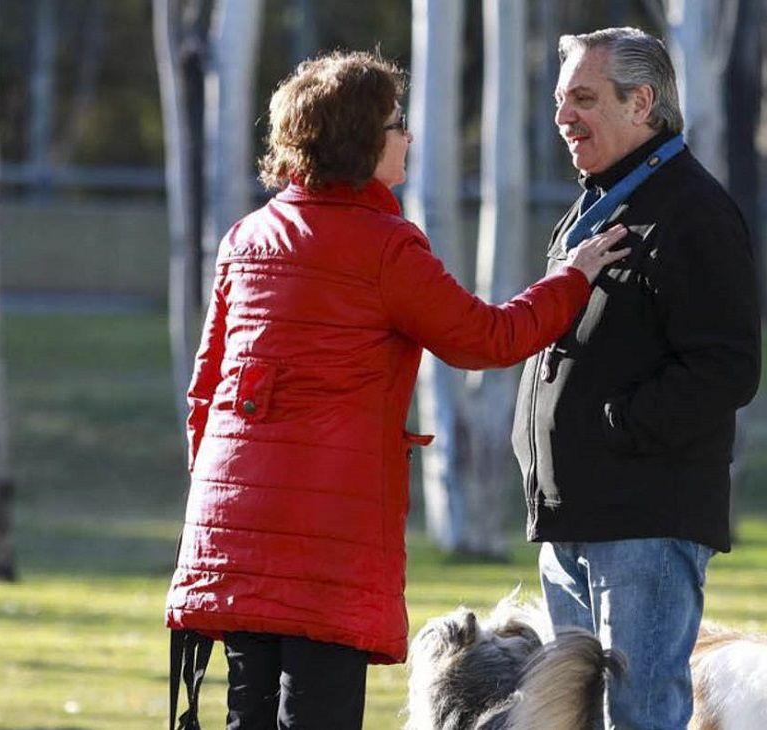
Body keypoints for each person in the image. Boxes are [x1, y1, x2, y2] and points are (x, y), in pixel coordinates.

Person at [164, 50, 629, 730]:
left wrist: (219, 507)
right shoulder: (384, 247)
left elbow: (205, 390)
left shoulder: (247, 237)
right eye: (396, 123)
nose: (407, 136)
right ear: (361, 140)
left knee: (248, 716)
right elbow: (487, 338)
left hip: (232, 527)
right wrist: (574, 277)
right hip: (327, 532)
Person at [510, 27, 761, 729]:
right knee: (576, 721)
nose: (564, 117)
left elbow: (728, 366)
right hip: (572, 519)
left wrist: (616, 428)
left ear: (642, 102)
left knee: (641, 716)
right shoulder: (599, 201)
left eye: (584, 99)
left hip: (644, 521)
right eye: (562, 101)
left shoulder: (692, 211)